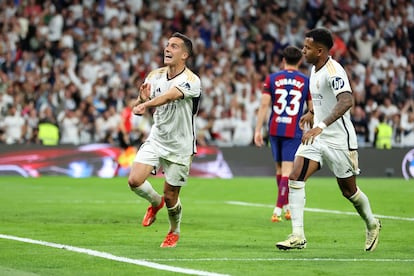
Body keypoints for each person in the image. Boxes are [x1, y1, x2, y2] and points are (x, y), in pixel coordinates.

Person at [276, 28, 381, 252]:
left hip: (339, 141)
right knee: (295, 177)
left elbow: (346, 101)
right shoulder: (315, 69)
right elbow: (325, 100)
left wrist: (321, 126)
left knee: (349, 191)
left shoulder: (334, 71)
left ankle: (372, 223)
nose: (303, 51)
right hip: (317, 137)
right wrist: (313, 115)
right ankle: (297, 235)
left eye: (307, 48)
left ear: (320, 51)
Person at [128, 32, 201, 248]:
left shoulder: (192, 80)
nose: (167, 49)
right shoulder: (154, 75)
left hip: (180, 145)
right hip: (157, 138)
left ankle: (174, 231)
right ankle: (154, 202)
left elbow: (169, 96)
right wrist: (140, 101)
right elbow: (139, 102)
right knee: (134, 180)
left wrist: (146, 104)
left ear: (185, 55)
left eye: (175, 47)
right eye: (167, 45)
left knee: (171, 196)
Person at [254, 46, 312, 223]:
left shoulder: (271, 78)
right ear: (300, 61)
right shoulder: (305, 81)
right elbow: (311, 109)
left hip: (274, 129)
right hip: (292, 130)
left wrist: (257, 130)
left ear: (283, 60)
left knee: (279, 170)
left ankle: (286, 206)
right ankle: (277, 209)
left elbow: (264, 105)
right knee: (287, 171)